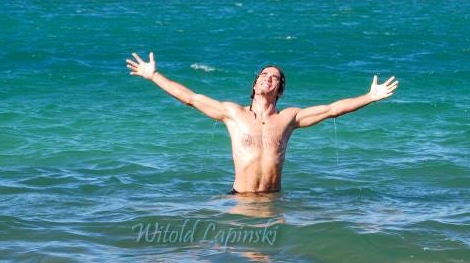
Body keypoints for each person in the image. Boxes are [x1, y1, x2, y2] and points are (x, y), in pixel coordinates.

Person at [126, 52, 398, 195]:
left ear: (280, 90)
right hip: (239, 199)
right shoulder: (233, 113)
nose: (269, 78)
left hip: (273, 202)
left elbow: (331, 109)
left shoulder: (288, 118)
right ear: (255, 84)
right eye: (264, 75)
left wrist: (371, 97)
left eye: (275, 77)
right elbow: (191, 98)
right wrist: (154, 76)